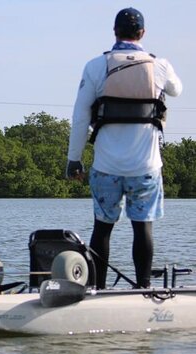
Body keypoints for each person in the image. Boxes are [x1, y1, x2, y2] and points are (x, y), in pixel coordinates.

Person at [66, 7, 182, 289]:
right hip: (146, 168)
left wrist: (74, 160)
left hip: (106, 168)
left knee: (102, 229)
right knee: (142, 227)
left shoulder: (95, 66)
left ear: (114, 32)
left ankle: (97, 289)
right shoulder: (160, 66)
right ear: (142, 33)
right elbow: (177, 89)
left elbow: (81, 117)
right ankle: (143, 288)